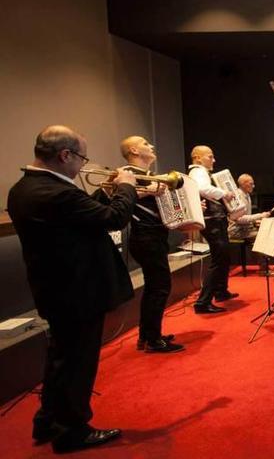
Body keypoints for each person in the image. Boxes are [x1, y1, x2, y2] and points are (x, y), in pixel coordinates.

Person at [7, 126, 137, 453]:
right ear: (65, 155)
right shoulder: (56, 192)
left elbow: (79, 218)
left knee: (61, 359)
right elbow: (113, 218)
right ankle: (72, 431)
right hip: (77, 291)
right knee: (79, 363)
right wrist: (126, 187)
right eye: (81, 157)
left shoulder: (26, 187)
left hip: (57, 289)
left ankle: (48, 420)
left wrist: (106, 191)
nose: (83, 164)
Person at [118, 136, 184, 353]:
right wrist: (145, 190)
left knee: (154, 288)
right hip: (145, 237)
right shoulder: (126, 175)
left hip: (155, 236)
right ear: (134, 150)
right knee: (160, 288)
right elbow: (116, 200)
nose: (152, 146)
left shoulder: (149, 176)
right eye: (146, 143)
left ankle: (147, 336)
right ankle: (154, 340)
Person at [189, 145, 238, 314]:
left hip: (215, 219)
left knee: (223, 257)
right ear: (197, 158)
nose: (214, 160)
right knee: (220, 258)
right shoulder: (198, 171)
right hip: (212, 221)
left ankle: (220, 292)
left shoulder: (201, 172)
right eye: (210, 156)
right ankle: (202, 302)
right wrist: (224, 193)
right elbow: (202, 189)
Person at [228, 173, 270, 241]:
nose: (253, 186)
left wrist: (254, 221)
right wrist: (260, 216)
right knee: (265, 235)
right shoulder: (236, 197)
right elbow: (240, 220)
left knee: (269, 231)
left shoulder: (247, 195)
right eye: (251, 184)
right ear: (243, 184)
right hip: (237, 231)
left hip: (246, 229)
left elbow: (247, 217)